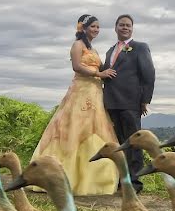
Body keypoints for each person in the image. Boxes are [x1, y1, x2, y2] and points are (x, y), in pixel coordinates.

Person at [30, 14, 119, 195]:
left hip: (95, 93)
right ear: (84, 28)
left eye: (98, 27)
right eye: (93, 26)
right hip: (80, 91)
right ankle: (65, 176)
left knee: (96, 128)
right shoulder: (77, 45)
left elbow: (100, 67)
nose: (96, 30)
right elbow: (77, 67)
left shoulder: (92, 48)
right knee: (74, 128)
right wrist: (99, 75)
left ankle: (96, 178)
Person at [101, 14, 156, 192]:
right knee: (118, 143)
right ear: (115, 28)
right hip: (111, 102)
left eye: (128, 25)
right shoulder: (110, 50)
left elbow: (148, 74)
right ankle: (121, 179)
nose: (125, 28)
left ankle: (134, 183)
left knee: (134, 143)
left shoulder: (140, 47)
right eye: (121, 25)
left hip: (131, 102)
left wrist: (145, 100)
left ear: (132, 29)